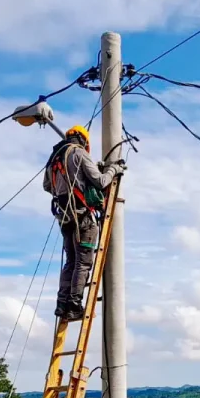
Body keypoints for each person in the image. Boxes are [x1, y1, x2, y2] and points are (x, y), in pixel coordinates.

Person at [43, 125, 125, 321]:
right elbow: (101, 181)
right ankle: (74, 304)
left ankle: (62, 304)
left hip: (64, 218)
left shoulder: (54, 159)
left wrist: (68, 186)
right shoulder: (79, 153)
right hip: (82, 218)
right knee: (83, 261)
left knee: (71, 261)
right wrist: (115, 168)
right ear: (83, 140)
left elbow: (47, 186)